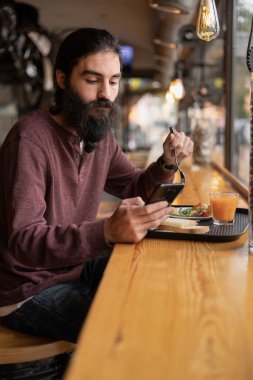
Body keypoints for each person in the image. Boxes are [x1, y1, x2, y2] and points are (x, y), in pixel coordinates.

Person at [0, 28, 193, 343]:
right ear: (62, 80)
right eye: (92, 80)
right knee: (129, 332)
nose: (106, 93)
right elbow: (24, 240)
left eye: (114, 81)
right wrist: (104, 232)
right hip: (27, 289)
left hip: (72, 268)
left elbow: (135, 187)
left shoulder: (97, 135)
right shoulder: (29, 139)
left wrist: (168, 162)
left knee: (159, 289)